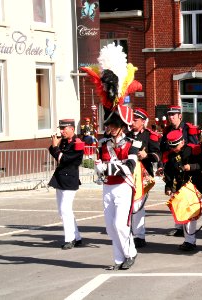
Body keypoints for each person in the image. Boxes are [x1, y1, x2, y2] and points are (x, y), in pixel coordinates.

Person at [94, 106, 138, 270]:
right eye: (109, 125)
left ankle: (130, 253)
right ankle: (119, 259)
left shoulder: (133, 144)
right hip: (107, 187)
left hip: (123, 187)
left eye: (114, 125)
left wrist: (107, 167)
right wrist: (98, 168)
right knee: (110, 227)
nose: (110, 128)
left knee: (120, 224)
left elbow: (129, 168)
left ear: (122, 126)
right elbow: (100, 167)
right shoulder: (103, 144)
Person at [159, 105, 200, 237]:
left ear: (180, 116)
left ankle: (188, 230)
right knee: (175, 197)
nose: (171, 117)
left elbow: (195, 147)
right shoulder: (167, 130)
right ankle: (178, 227)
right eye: (169, 115)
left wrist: (189, 163)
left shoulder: (188, 128)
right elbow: (163, 150)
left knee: (187, 201)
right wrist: (162, 166)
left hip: (186, 167)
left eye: (173, 115)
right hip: (172, 166)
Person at [164, 130, 202, 251]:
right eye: (172, 147)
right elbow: (169, 173)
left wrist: (191, 167)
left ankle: (190, 241)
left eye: (175, 146)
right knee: (183, 213)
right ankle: (189, 240)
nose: (174, 149)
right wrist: (168, 187)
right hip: (180, 188)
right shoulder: (171, 154)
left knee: (190, 214)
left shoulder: (193, 149)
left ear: (182, 142)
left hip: (193, 186)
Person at [126, 107, 161, 248]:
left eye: (135, 120)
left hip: (142, 175)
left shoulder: (149, 135)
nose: (132, 122)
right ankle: (128, 233)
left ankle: (139, 236)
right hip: (127, 175)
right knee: (127, 205)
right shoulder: (126, 135)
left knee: (138, 205)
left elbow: (158, 155)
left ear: (143, 122)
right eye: (132, 119)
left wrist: (147, 156)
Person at [48, 119, 84, 250]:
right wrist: (54, 146)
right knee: (63, 211)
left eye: (64, 129)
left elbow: (64, 159)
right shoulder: (63, 142)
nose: (62, 132)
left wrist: (56, 148)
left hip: (70, 180)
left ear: (72, 129)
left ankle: (70, 239)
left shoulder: (78, 143)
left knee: (65, 209)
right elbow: (54, 153)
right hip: (60, 179)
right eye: (61, 129)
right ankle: (77, 237)